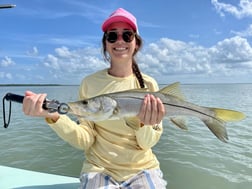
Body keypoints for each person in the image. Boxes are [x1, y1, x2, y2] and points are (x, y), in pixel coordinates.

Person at [23, 8, 167, 189]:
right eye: (112, 36)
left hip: (143, 169)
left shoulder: (149, 84)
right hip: (99, 168)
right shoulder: (89, 83)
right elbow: (85, 140)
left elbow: (147, 143)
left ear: (136, 43)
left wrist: (143, 124)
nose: (119, 40)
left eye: (127, 35)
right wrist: (55, 117)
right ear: (105, 43)